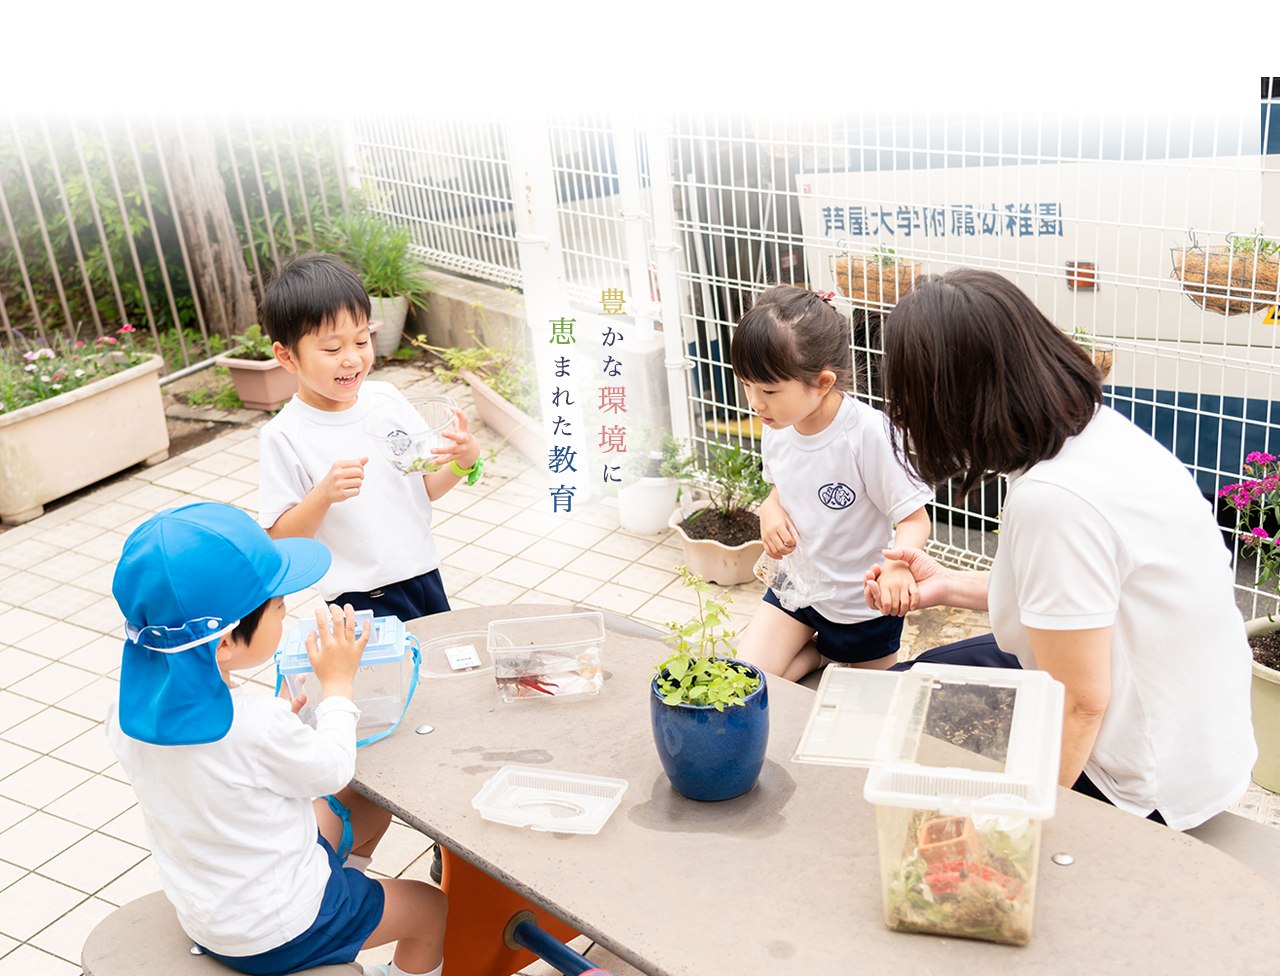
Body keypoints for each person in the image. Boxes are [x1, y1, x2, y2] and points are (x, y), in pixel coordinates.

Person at [862, 268, 1256, 831]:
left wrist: (1003, 833)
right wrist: (946, 586)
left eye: (905, 403)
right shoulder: (1095, 431)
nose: (901, 417)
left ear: (951, 401)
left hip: (1145, 776)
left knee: (919, 715)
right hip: (1200, 733)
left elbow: (1081, 704)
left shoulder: (1055, 500)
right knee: (927, 675)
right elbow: (1080, 603)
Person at [104, 502, 447, 976]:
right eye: (280, 607)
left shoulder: (125, 713)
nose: (287, 614)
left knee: (365, 809)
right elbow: (333, 768)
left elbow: (217, 767)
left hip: (211, 908)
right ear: (224, 641)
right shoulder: (256, 724)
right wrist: (338, 685)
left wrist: (276, 721)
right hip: (279, 929)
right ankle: (337, 929)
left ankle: (347, 904)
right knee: (430, 909)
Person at [257, 252, 481, 621]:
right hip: (359, 598)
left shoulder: (387, 399)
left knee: (436, 672)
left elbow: (424, 488)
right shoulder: (283, 435)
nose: (352, 359)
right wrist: (322, 496)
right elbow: (279, 540)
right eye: (332, 348)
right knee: (386, 680)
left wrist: (463, 461)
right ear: (286, 356)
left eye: (362, 341)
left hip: (424, 573)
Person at [728, 285, 933, 681]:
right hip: (798, 590)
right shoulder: (777, 422)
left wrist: (895, 569)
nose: (755, 403)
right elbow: (779, 488)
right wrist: (769, 511)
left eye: (768, 390)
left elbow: (914, 520)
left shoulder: (868, 435)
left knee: (869, 702)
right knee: (746, 682)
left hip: (864, 605)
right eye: (746, 385)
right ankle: (818, 653)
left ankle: (820, 653)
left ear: (823, 383)